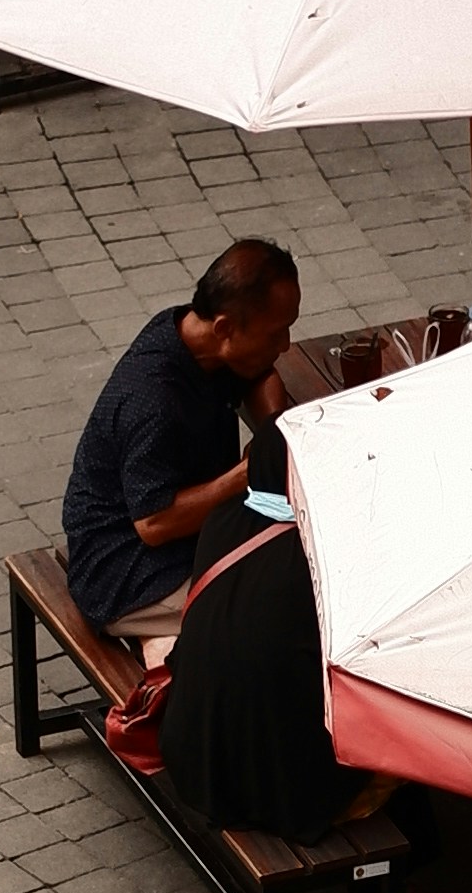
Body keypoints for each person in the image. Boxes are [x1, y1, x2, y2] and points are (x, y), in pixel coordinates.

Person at [157, 428, 389, 841]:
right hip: (278, 789)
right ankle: (380, 892)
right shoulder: (330, 556)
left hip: (192, 755)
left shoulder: (222, 520)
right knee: (399, 747)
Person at [61, 239, 300, 636]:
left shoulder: (194, 336)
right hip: (127, 573)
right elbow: (154, 523)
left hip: (193, 536)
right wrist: (246, 474)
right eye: (276, 333)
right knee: (282, 608)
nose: (285, 345)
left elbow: (261, 376)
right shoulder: (152, 399)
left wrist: (273, 428)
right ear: (224, 327)